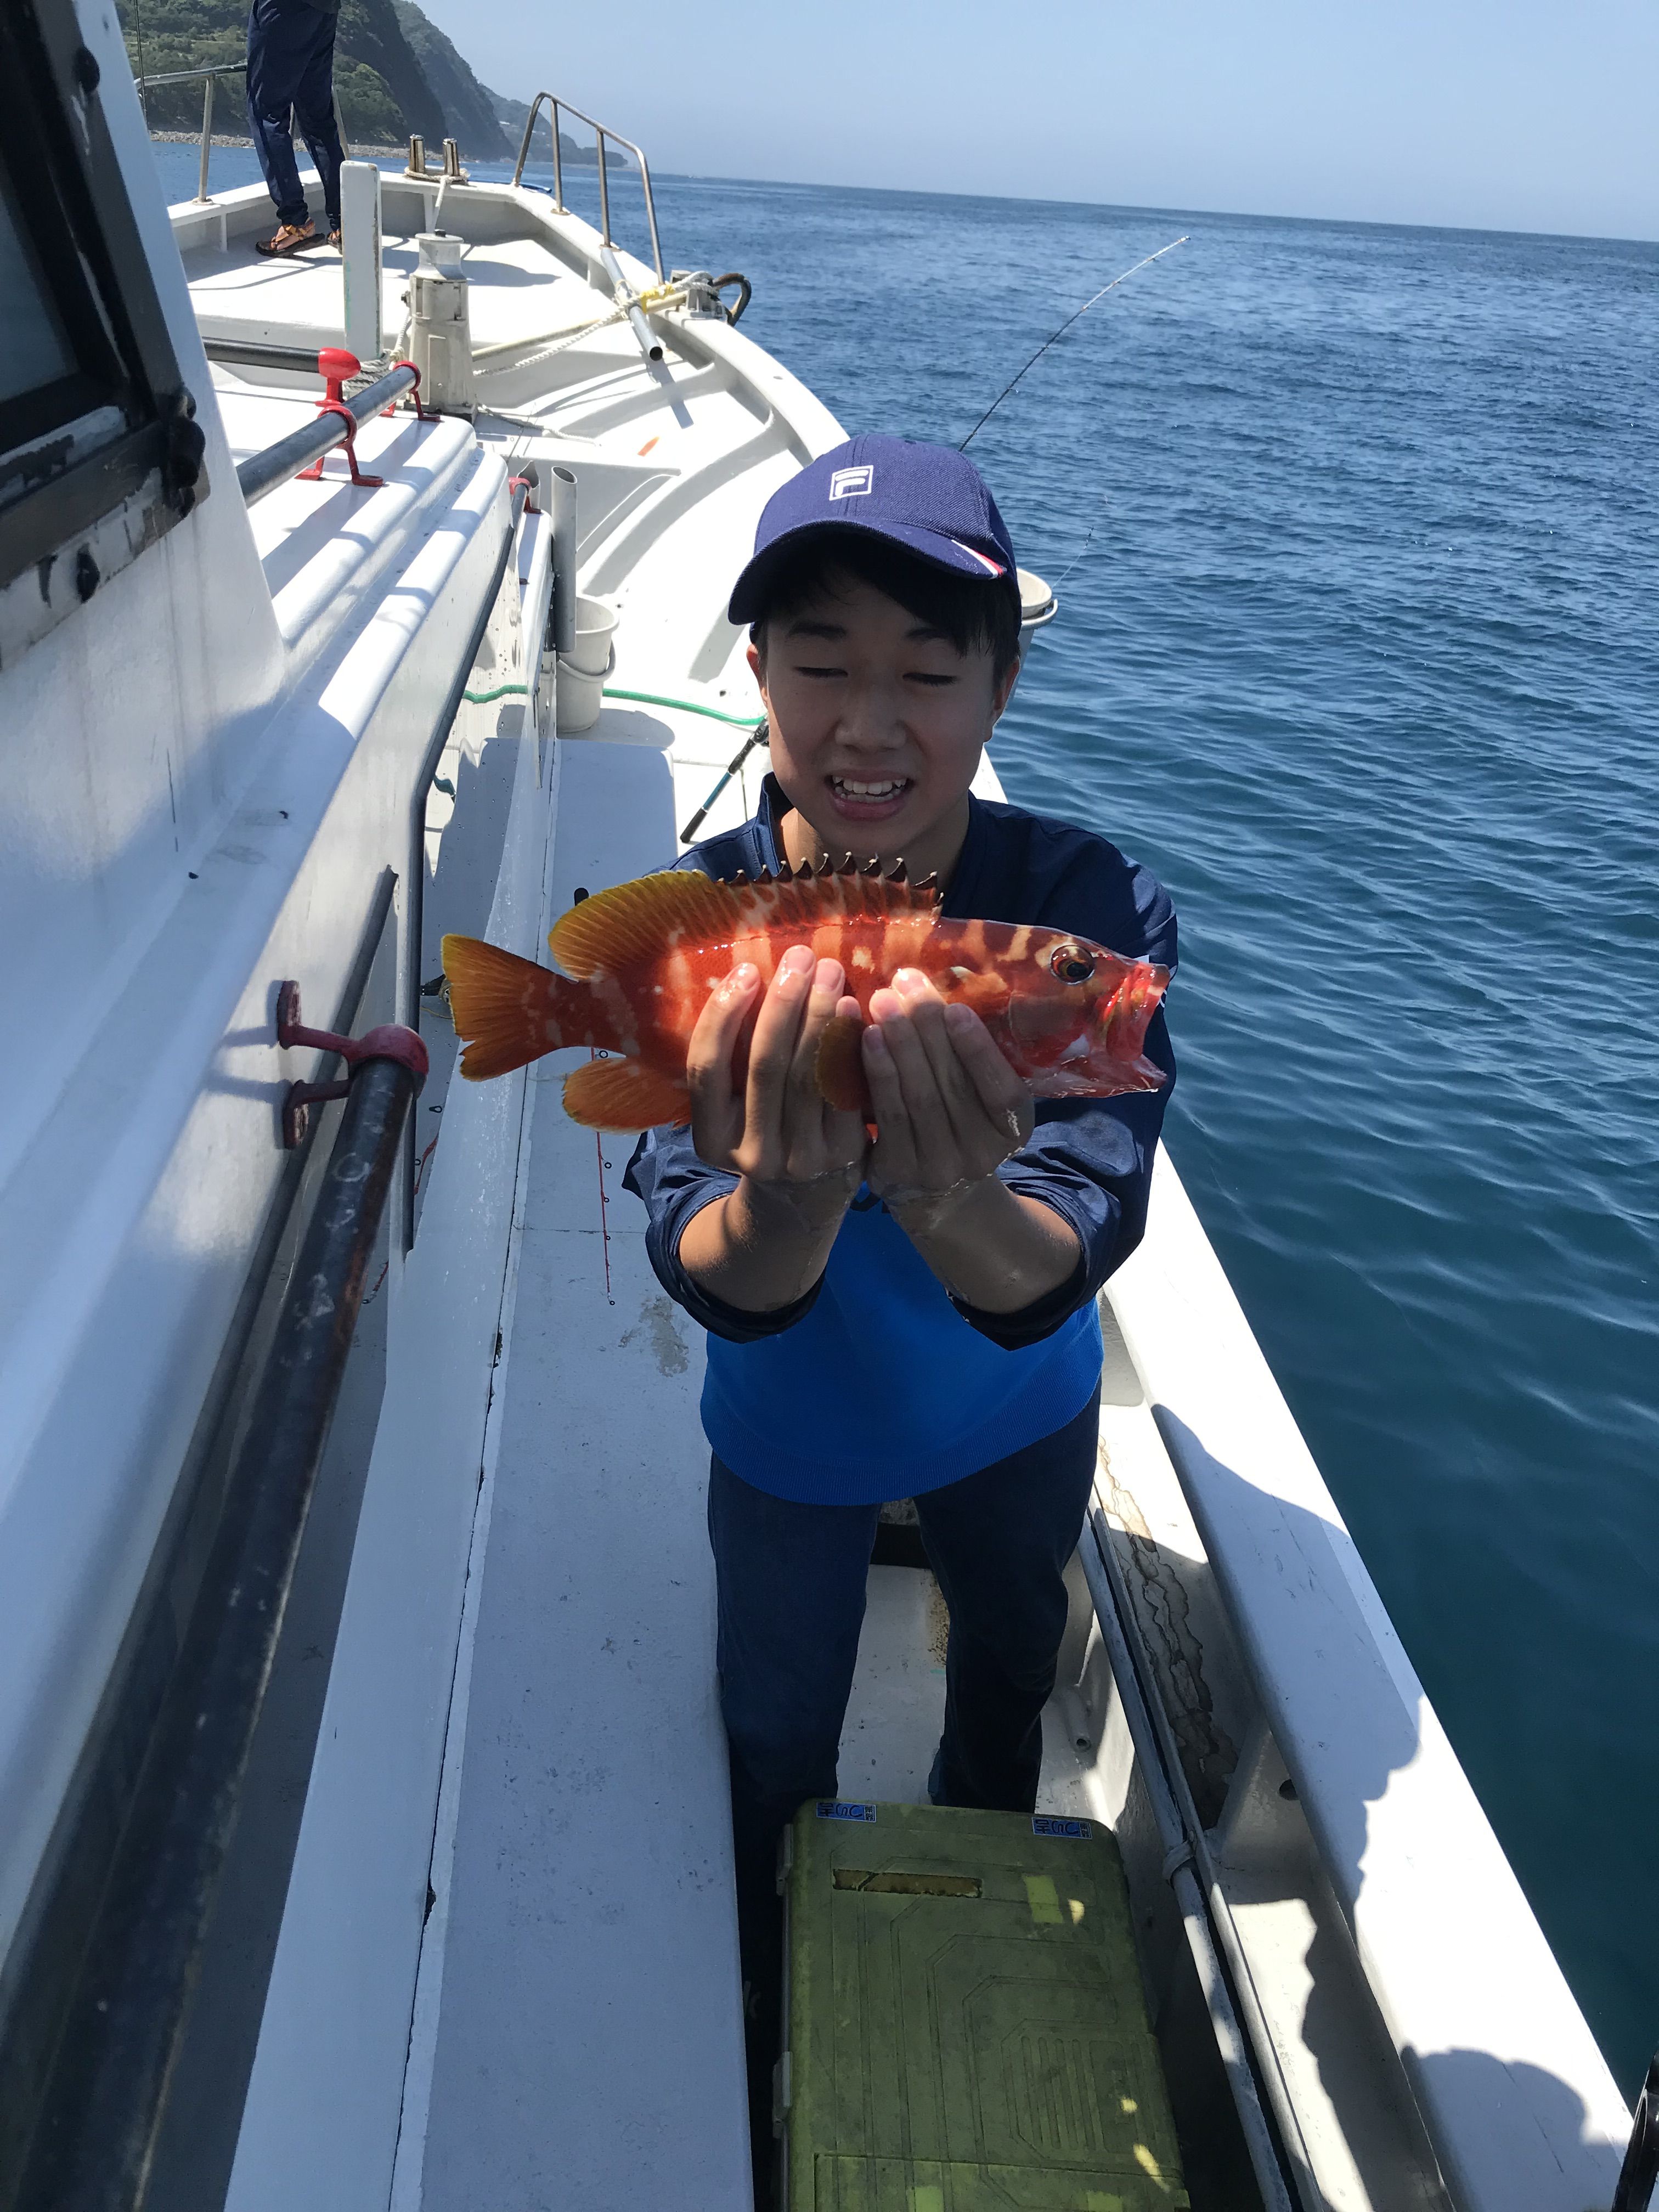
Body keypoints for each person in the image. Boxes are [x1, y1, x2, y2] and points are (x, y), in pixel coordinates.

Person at [623, 433, 1177, 2187]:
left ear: (1002, 684)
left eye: (931, 672)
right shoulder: (703, 927)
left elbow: (1073, 1239)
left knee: (1007, 1663)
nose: (872, 721)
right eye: (822, 662)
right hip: (790, 1430)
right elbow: (708, 1270)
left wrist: (942, 1195)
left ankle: (974, 1882)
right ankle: (772, 1963)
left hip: (1020, 1415)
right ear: (756, 675)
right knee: (776, 1722)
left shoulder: (1087, 915)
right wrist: (793, 1197)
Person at [246, 0, 346, 257]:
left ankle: (295, 223)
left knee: (266, 113)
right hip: (324, 10)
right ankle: (346, 223)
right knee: (318, 120)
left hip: (284, 10)